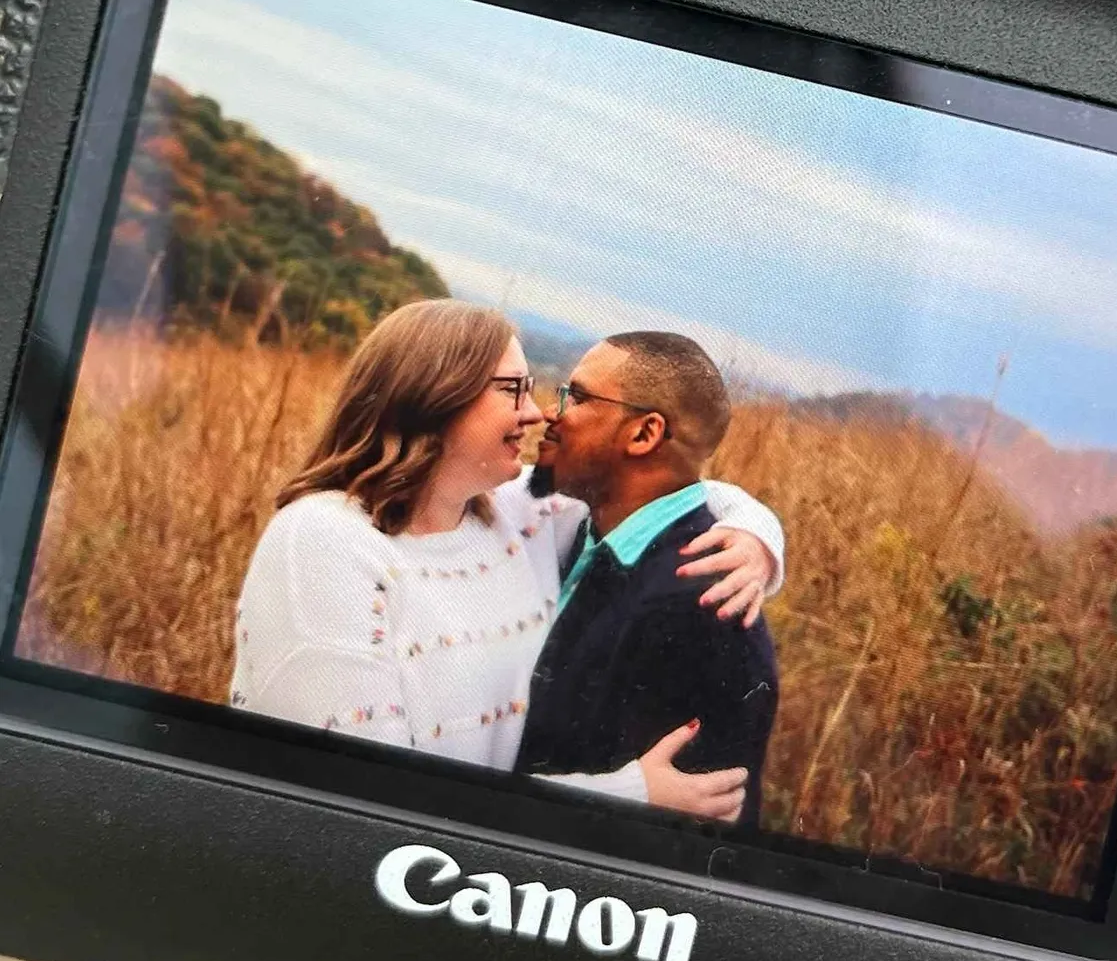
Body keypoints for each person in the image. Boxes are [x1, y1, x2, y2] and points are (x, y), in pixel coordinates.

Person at [230, 300, 784, 820]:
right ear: (434, 395)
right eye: (513, 389)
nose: (535, 413)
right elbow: (362, 799)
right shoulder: (325, 540)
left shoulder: (517, 513)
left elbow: (667, 490)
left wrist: (754, 534)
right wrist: (626, 794)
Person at [516, 332, 779, 827]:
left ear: (643, 435)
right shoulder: (585, 533)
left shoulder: (703, 606)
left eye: (577, 397)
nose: (554, 414)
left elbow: (687, 838)